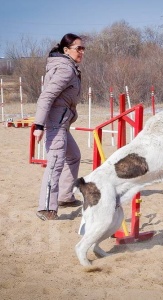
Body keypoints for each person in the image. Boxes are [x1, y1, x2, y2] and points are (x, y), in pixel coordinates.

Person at [34, 33, 85, 220]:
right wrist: (38, 125)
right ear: (66, 50)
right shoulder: (65, 69)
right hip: (55, 123)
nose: (81, 52)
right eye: (78, 48)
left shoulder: (69, 67)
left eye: (83, 48)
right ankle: (46, 208)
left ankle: (65, 196)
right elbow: (46, 97)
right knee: (55, 163)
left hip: (62, 122)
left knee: (74, 156)